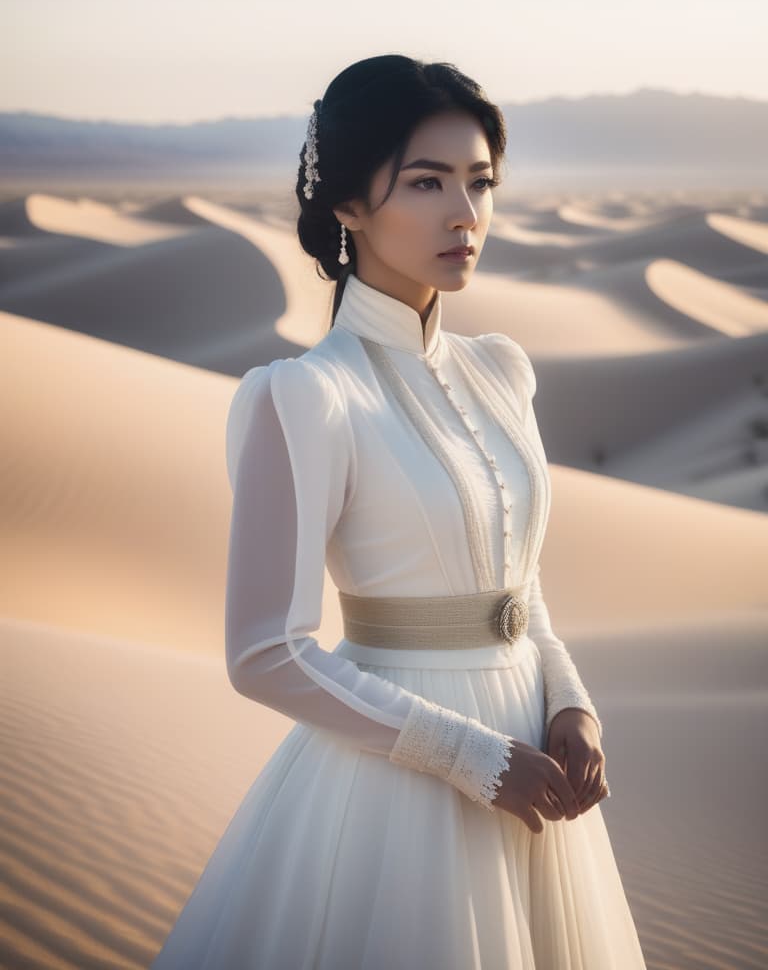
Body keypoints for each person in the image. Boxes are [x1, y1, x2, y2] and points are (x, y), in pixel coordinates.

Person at [151, 54, 647, 969]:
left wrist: (572, 703)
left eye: (480, 182)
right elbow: (264, 654)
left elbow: (515, 584)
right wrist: (468, 758)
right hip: (393, 784)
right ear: (347, 205)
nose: (465, 214)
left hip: (534, 767)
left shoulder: (502, 370)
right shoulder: (304, 396)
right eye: (426, 182)